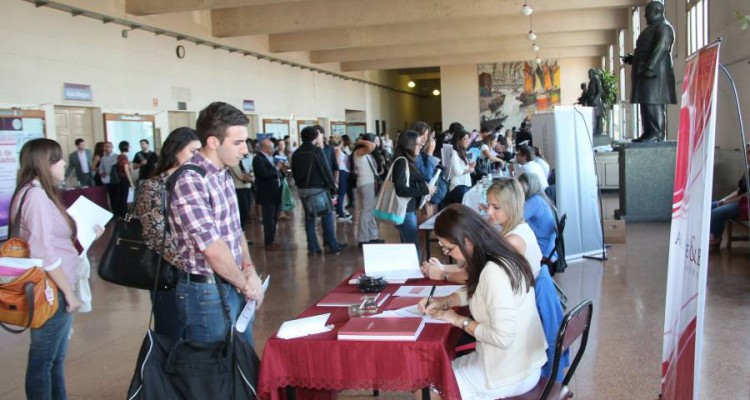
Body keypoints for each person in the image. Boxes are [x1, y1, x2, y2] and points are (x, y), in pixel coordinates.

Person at [417, 204, 548, 399]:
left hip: (510, 370)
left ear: (467, 242)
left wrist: (456, 319)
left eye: (448, 248)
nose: (447, 254)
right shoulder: (497, 255)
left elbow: (502, 338)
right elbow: (478, 291)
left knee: (427, 387)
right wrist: (445, 302)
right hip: (515, 359)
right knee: (430, 375)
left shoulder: (494, 272)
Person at [168, 101, 264, 346]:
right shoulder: (191, 179)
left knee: (241, 359)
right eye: (237, 143)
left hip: (232, 282)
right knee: (217, 371)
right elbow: (211, 247)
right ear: (213, 142)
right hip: (206, 292)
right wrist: (246, 286)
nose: (245, 150)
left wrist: (249, 269)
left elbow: (235, 230)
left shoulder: (222, 173)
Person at [9, 139, 84, 399]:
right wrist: (69, 293)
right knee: (44, 360)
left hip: (55, 284)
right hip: (52, 288)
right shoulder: (36, 196)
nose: (64, 163)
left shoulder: (35, 192)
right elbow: (43, 250)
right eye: (58, 159)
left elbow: (53, 240)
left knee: (54, 359)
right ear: (45, 163)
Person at [134, 127, 201, 342]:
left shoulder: (197, 184)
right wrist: (188, 264)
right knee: (171, 334)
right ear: (175, 152)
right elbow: (156, 236)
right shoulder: (153, 187)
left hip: (199, 272)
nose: (197, 158)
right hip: (169, 274)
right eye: (192, 152)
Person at [621, 0, 676, 142]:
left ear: (657, 12)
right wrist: (634, 59)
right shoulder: (653, 28)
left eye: (647, 12)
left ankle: (657, 133)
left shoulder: (664, 27)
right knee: (645, 102)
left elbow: (661, 48)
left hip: (655, 74)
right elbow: (647, 51)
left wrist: (649, 67)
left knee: (653, 101)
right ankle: (648, 132)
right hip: (645, 72)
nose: (645, 16)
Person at [292, 126, 347, 256]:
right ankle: (333, 246)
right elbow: (325, 169)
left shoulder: (296, 153)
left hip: (302, 189)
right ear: (314, 137)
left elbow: (294, 172)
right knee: (327, 215)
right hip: (317, 188)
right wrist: (332, 185)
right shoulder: (316, 151)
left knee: (309, 218)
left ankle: (313, 248)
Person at [391, 130, 435, 260]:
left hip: (409, 210)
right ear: (409, 145)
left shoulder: (409, 161)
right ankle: (415, 277)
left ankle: (410, 276)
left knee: (409, 249)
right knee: (414, 250)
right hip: (405, 212)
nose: (421, 146)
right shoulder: (402, 162)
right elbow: (401, 190)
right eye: (418, 143)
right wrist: (425, 191)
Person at [710, 144, 750, 251]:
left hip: (745, 204)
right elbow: (739, 190)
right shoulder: (747, 170)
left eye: (749, 153)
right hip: (739, 200)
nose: (746, 156)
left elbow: (746, 196)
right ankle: (710, 235)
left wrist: (727, 203)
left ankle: (716, 239)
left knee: (717, 213)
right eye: (746, 153)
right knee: (710, 207)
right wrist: (724, 199)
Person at [352, 134, 383, 247]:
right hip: (365, 184)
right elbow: (371, 146)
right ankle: (363, 238)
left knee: (371, 211)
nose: (376, 143)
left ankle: (373, 236)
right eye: (374, 140)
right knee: (366, 211)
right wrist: (359, 140)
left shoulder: (366, 154)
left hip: (370, 183)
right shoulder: (359, 152)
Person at [518, 172, 557, 261]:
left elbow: (516, 218)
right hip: (546, 244)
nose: (519, 190)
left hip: (541, 247)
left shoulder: (535, 201)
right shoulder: (539, 198)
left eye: (521, 187)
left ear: (530, 186)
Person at [253, 139, 283, 250]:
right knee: (269, 219)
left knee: (274, 218)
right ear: (264, 148)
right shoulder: (258, 159)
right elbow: (264, 174)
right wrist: (277, 168)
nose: (273, 149)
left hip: (275, 192)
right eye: (270, 147)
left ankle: (272, 240)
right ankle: (268, 242)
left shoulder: (269, 158)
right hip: (267, 194)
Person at [230, 141, 255, 235]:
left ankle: (242, 235)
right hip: (239, 190)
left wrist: (250, 177)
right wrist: (252, 179)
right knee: (241, 214)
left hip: (247, 188)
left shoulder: (246, 159)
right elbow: (240, 176)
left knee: (246, 213)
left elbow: (250, 173)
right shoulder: (234, 161)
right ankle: (240, 236)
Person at [446, 130, 474, 205]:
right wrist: (469, 170)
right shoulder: (454, 152)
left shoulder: (462, 151)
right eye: (465, 139)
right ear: (459, 140)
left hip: (465, 185)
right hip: (458, 187)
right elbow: (457, 171)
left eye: (468, 139)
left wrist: (469, 165)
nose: (467, 141)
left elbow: (463, 167)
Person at [331, 135, 353, 221]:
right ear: (341, 142)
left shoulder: (336, 150)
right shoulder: (337, 151)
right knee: (341, 193)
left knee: (341, 193)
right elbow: (336, 165)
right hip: (341, 172)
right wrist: (336, 177)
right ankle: (340, 212)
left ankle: (339, 210)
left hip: (342, 172)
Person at [98, 141, 120, 213]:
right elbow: (100, 168)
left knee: (117, 196)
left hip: (115, 179)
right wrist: (101, 173)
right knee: (110, 197)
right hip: (106, 179)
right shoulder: (103, 158)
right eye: (106, 146)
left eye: (109, 146)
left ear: (112, 147)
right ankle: (113, 212)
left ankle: (118, 212)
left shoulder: (117, 156)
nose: (107, 148)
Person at [114, 141, 133, 216]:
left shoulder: (120, 156)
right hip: (124, 179)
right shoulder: (123, 157)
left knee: (122, 197)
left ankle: (122, 214)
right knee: (125, 198)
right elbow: (126, 170)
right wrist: (131, 183)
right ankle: (124, 214)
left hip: (121, 179)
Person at [583, 68, 605, 135]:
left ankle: (597, 131)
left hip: (596, 104)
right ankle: (594, 131)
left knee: (597, 119)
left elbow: (600, 92)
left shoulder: (596, 80)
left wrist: (595, 100)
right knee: (593, 119)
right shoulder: (591, 81)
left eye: (589, 74)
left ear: (593, 74)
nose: (588, 75)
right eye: (588, 74)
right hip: (592, 103)